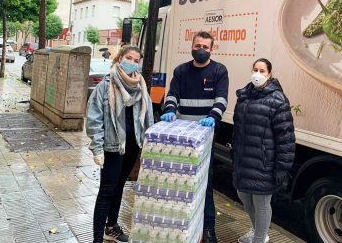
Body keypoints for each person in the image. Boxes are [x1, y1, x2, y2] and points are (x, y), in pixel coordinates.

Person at [160, 31, 229, 243]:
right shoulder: (181, 71)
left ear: (211, 49)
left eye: (205, 47)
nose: (201, 49)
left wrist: (212, 118)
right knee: (180, 182)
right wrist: (170, 109)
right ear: (191, 46)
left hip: (204, 137)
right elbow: (172, 94)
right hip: (181, 138)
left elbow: (221, 100)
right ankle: (180, 224)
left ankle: (208, 229)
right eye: (198, 45)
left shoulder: (219, 70)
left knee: (205, 183)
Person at [86, 45, 154, 243]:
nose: (132, 62)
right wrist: (97, 149)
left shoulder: (140, 85)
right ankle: (97, 239)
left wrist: (149, 142)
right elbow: (94, 119)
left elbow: (147, 115)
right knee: (107, 190)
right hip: (112, 147)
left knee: (119, 186)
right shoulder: (106, 86)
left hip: (132, 145)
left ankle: (111, 227)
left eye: (136, 60)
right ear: (119, 59)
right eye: (129, 58)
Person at [232, 58, 295, 243]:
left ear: (270, 75)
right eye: (255, 70)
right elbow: (238, 129)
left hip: (264, 162)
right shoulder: (244, 95)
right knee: (243, 195)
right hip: (244, 159)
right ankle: (256, 230)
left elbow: (286, 138)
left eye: (262, 71)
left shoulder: (278, 100)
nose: (257, 74)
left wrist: (282, 168)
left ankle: (260, 238)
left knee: (261, 203)